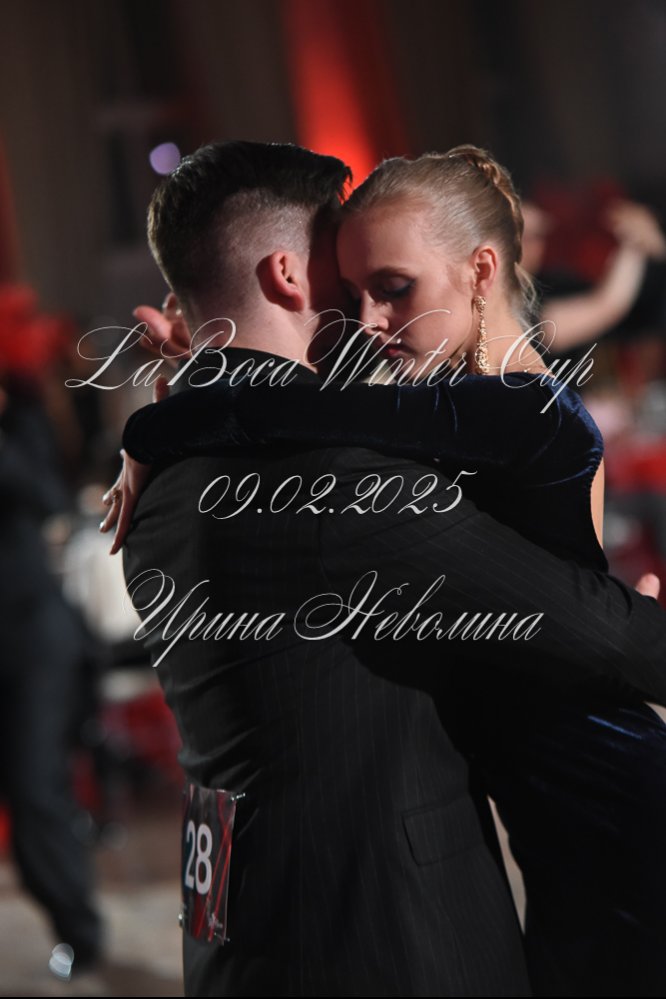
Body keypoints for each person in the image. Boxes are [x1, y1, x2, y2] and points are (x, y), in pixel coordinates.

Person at [108, 141, 666, 998]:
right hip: (382, 932)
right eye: (346, 272)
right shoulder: (325, 476)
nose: (365, 313)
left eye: (389, 284)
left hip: (235, 917)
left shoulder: (173, 465)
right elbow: (598, 630)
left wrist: (163, 417)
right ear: (290, 274)